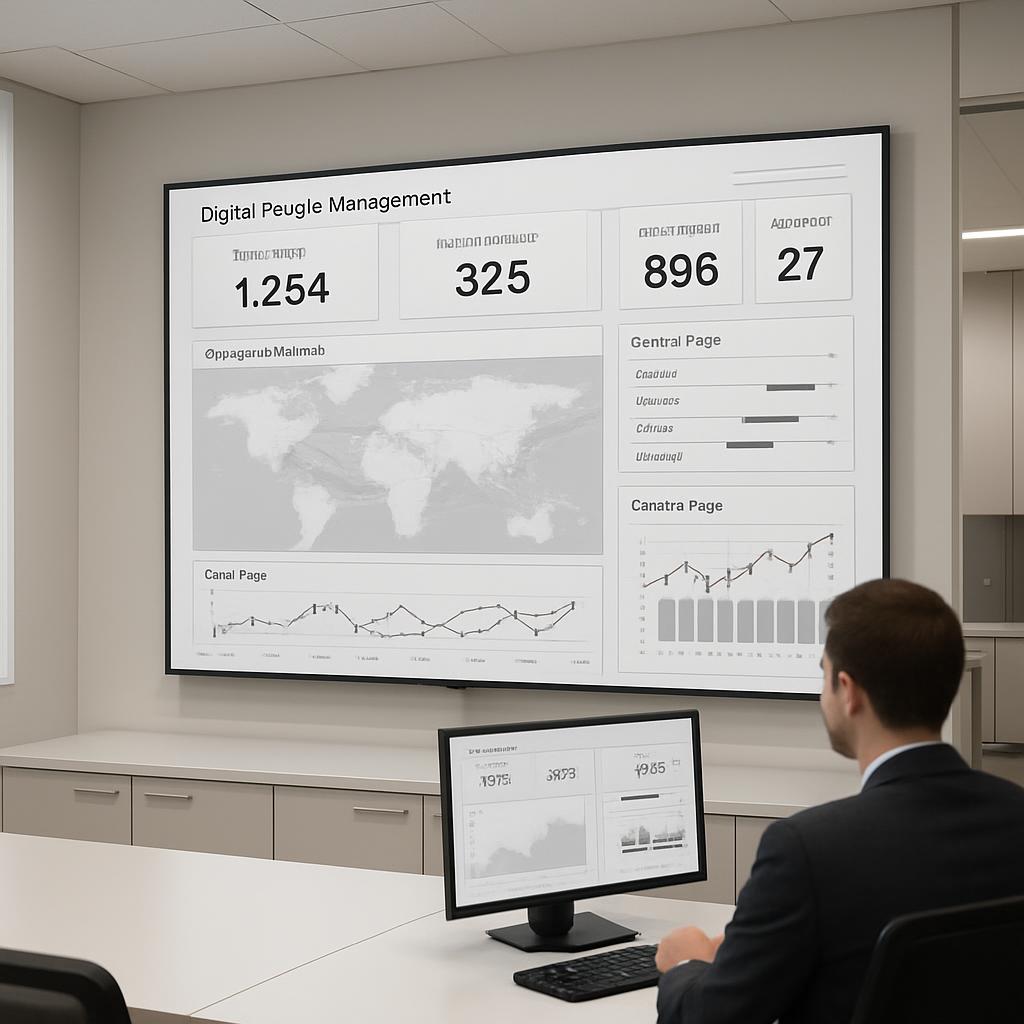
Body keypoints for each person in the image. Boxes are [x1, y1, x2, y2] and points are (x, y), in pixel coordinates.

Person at [656, 577, 1024, 1024]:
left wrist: (686, 963)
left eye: (823, 675)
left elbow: (712, 1018)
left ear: (848, 691)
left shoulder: (806, 850)